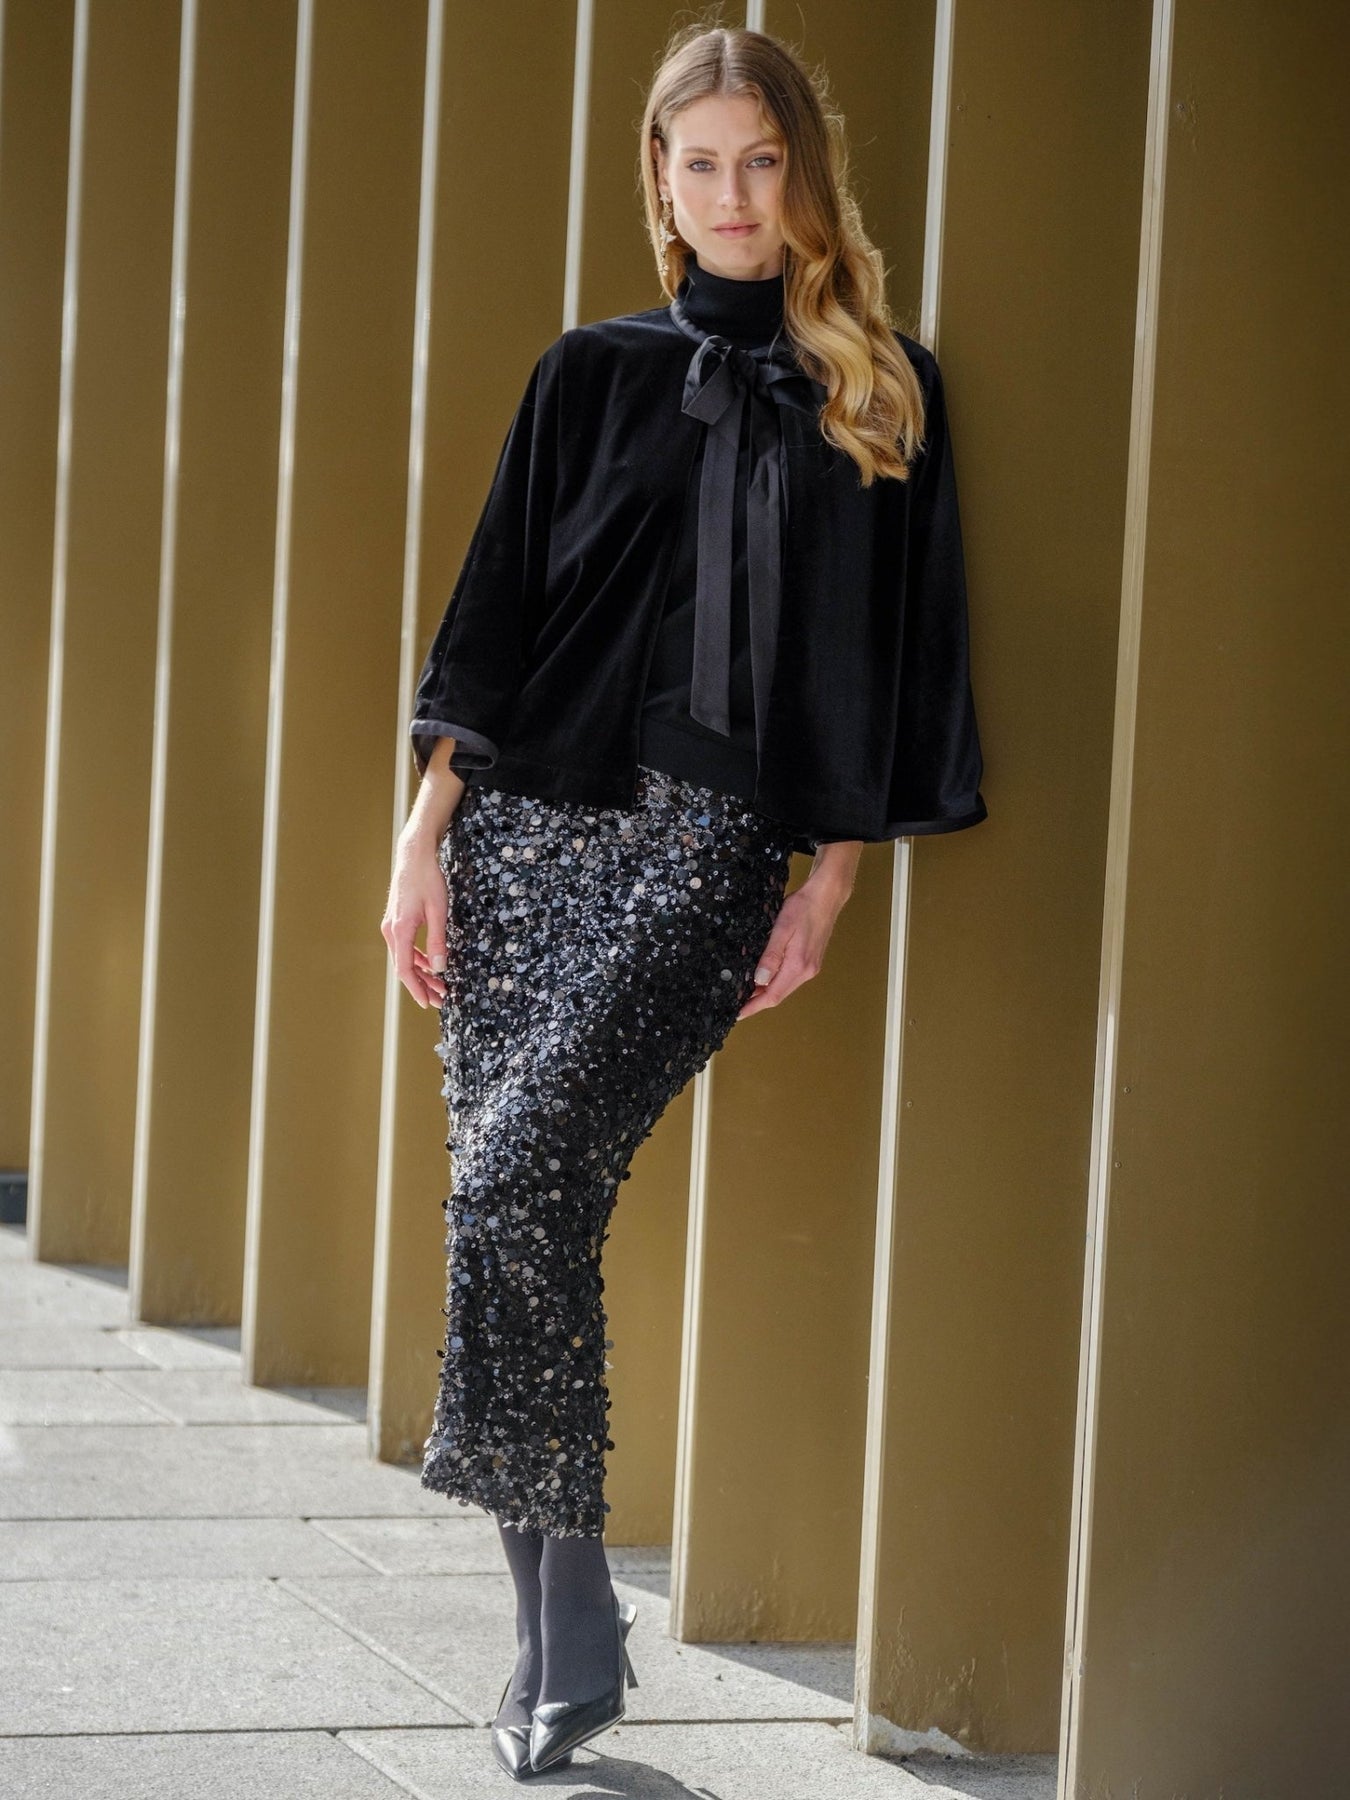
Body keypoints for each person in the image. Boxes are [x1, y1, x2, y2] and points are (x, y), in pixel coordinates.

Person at [380, 21, 987, 1782]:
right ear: (658, 178)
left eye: (759, 161)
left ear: (804, 175)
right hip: (523, 838)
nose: (731, 195)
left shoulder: (882, 389)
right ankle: (555, 1633)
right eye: (699, 163)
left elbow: (901, 662)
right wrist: (419, 841)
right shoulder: (588, 369)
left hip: (706, 856)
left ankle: (563, 1616)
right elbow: (491, 610)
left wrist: (832, 879)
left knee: (512, 1180)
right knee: (514, 1208)